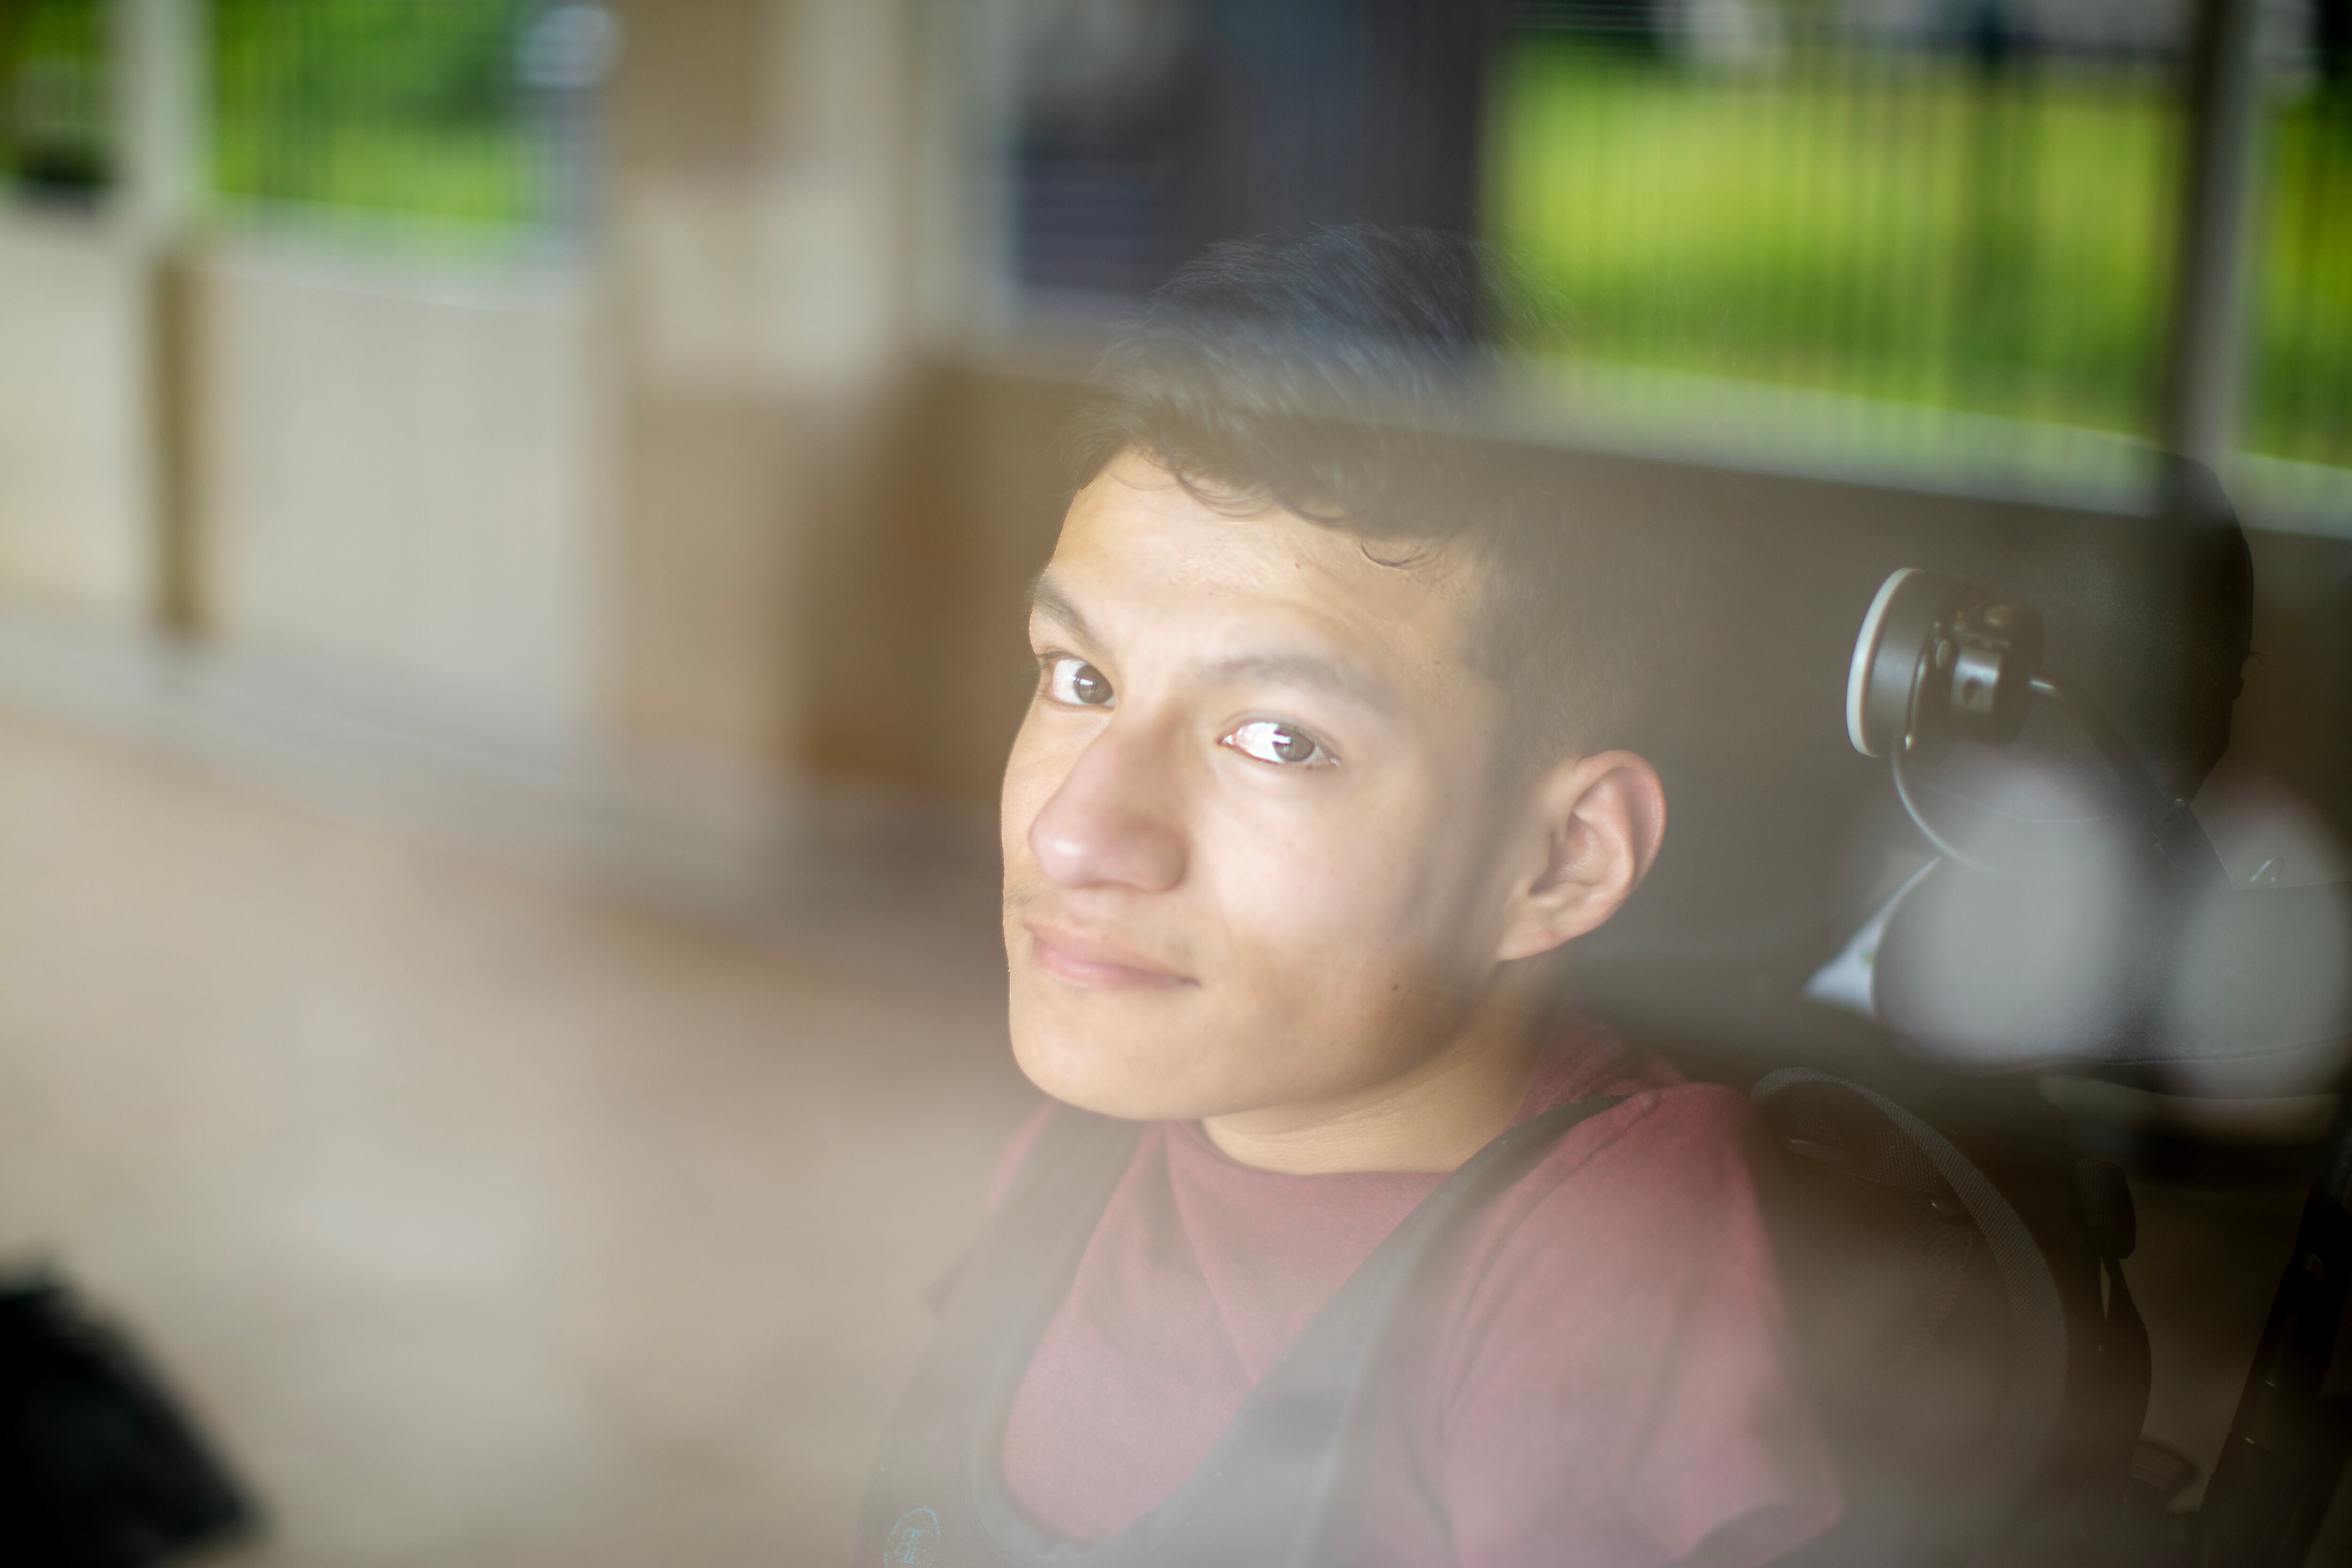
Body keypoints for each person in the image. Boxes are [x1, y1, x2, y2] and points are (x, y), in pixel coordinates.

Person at [860, 227, 1838, 1568]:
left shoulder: (1596, 1262)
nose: (1080, 834)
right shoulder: (1087, 1138)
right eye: (1080, 681)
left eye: (1278, 740)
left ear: (1561, 860)